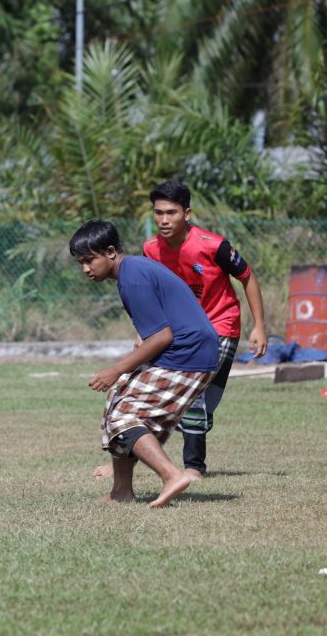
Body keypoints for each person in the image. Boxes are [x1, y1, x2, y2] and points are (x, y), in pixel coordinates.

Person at [70, 219, 219, 508]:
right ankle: (121, 492)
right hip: (185, 352)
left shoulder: (133, 276)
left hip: (190, 356)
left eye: (89, 260)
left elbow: (162, 337)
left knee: (124, 418)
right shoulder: (132, 272)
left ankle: (171, 475)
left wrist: (116, 369)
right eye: (80, 263)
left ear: (110, 251)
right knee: (117, 401)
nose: (85, 269)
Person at [141, 180, 267, 479]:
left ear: (187, 213)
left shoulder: (214, 245)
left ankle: (193, 467)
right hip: (182, 332)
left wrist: (260, 326)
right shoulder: (150, 249)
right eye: (158, 213)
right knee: (186, 400)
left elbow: (247, 277)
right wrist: (144, 333)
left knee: (194, 397)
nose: (163, 220)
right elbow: (152, 293)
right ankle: (180, 465)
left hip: (221, 326)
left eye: (171, 212)